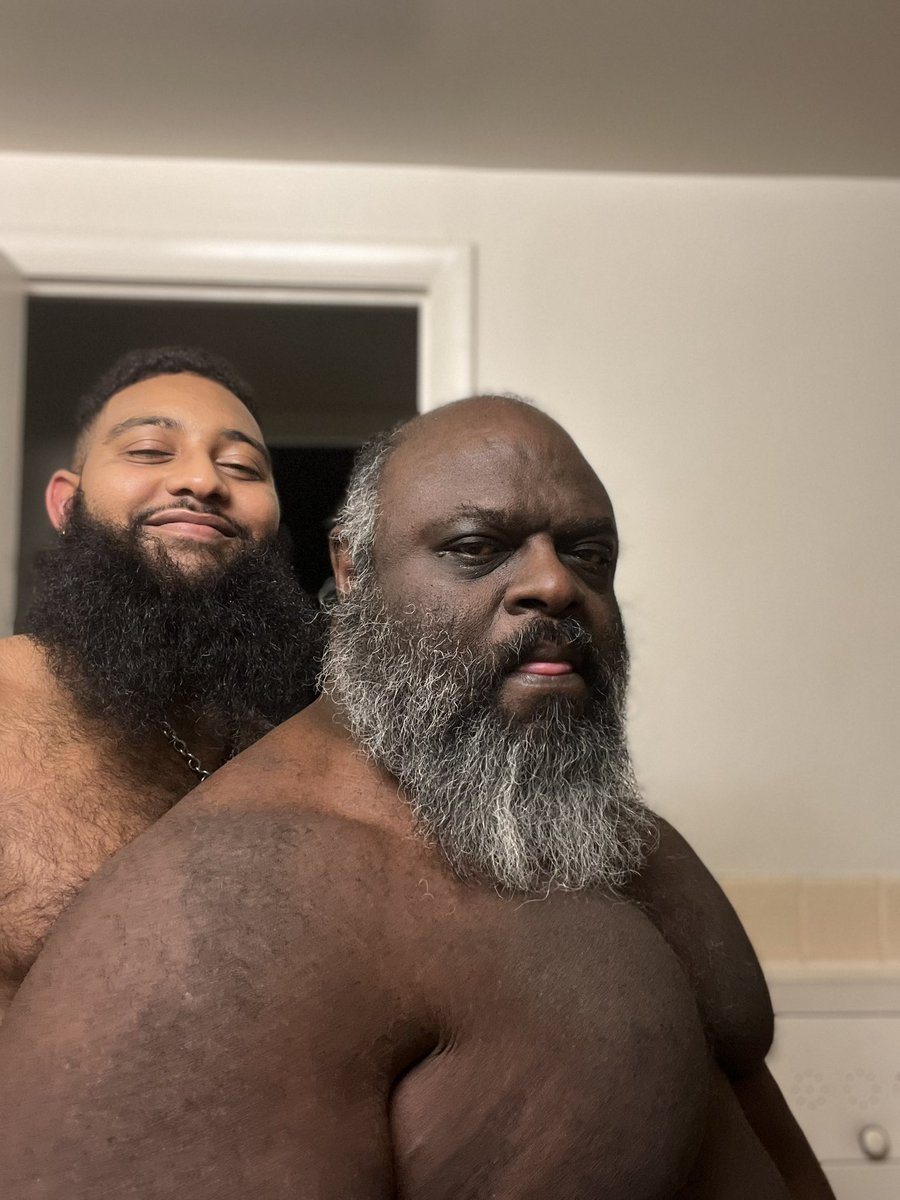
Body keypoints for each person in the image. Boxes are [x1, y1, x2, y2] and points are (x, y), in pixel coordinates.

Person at [0, 395, 833, 1198]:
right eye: (476, 546)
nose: (554, 584)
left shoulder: (613, 833)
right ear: (351, 569)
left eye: (589, 554)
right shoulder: (233, 902)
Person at [0, 346, 319, 1020]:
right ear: (67, 503)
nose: (202, 480)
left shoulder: (305, 752)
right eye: (149, 451)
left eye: (242, 467)